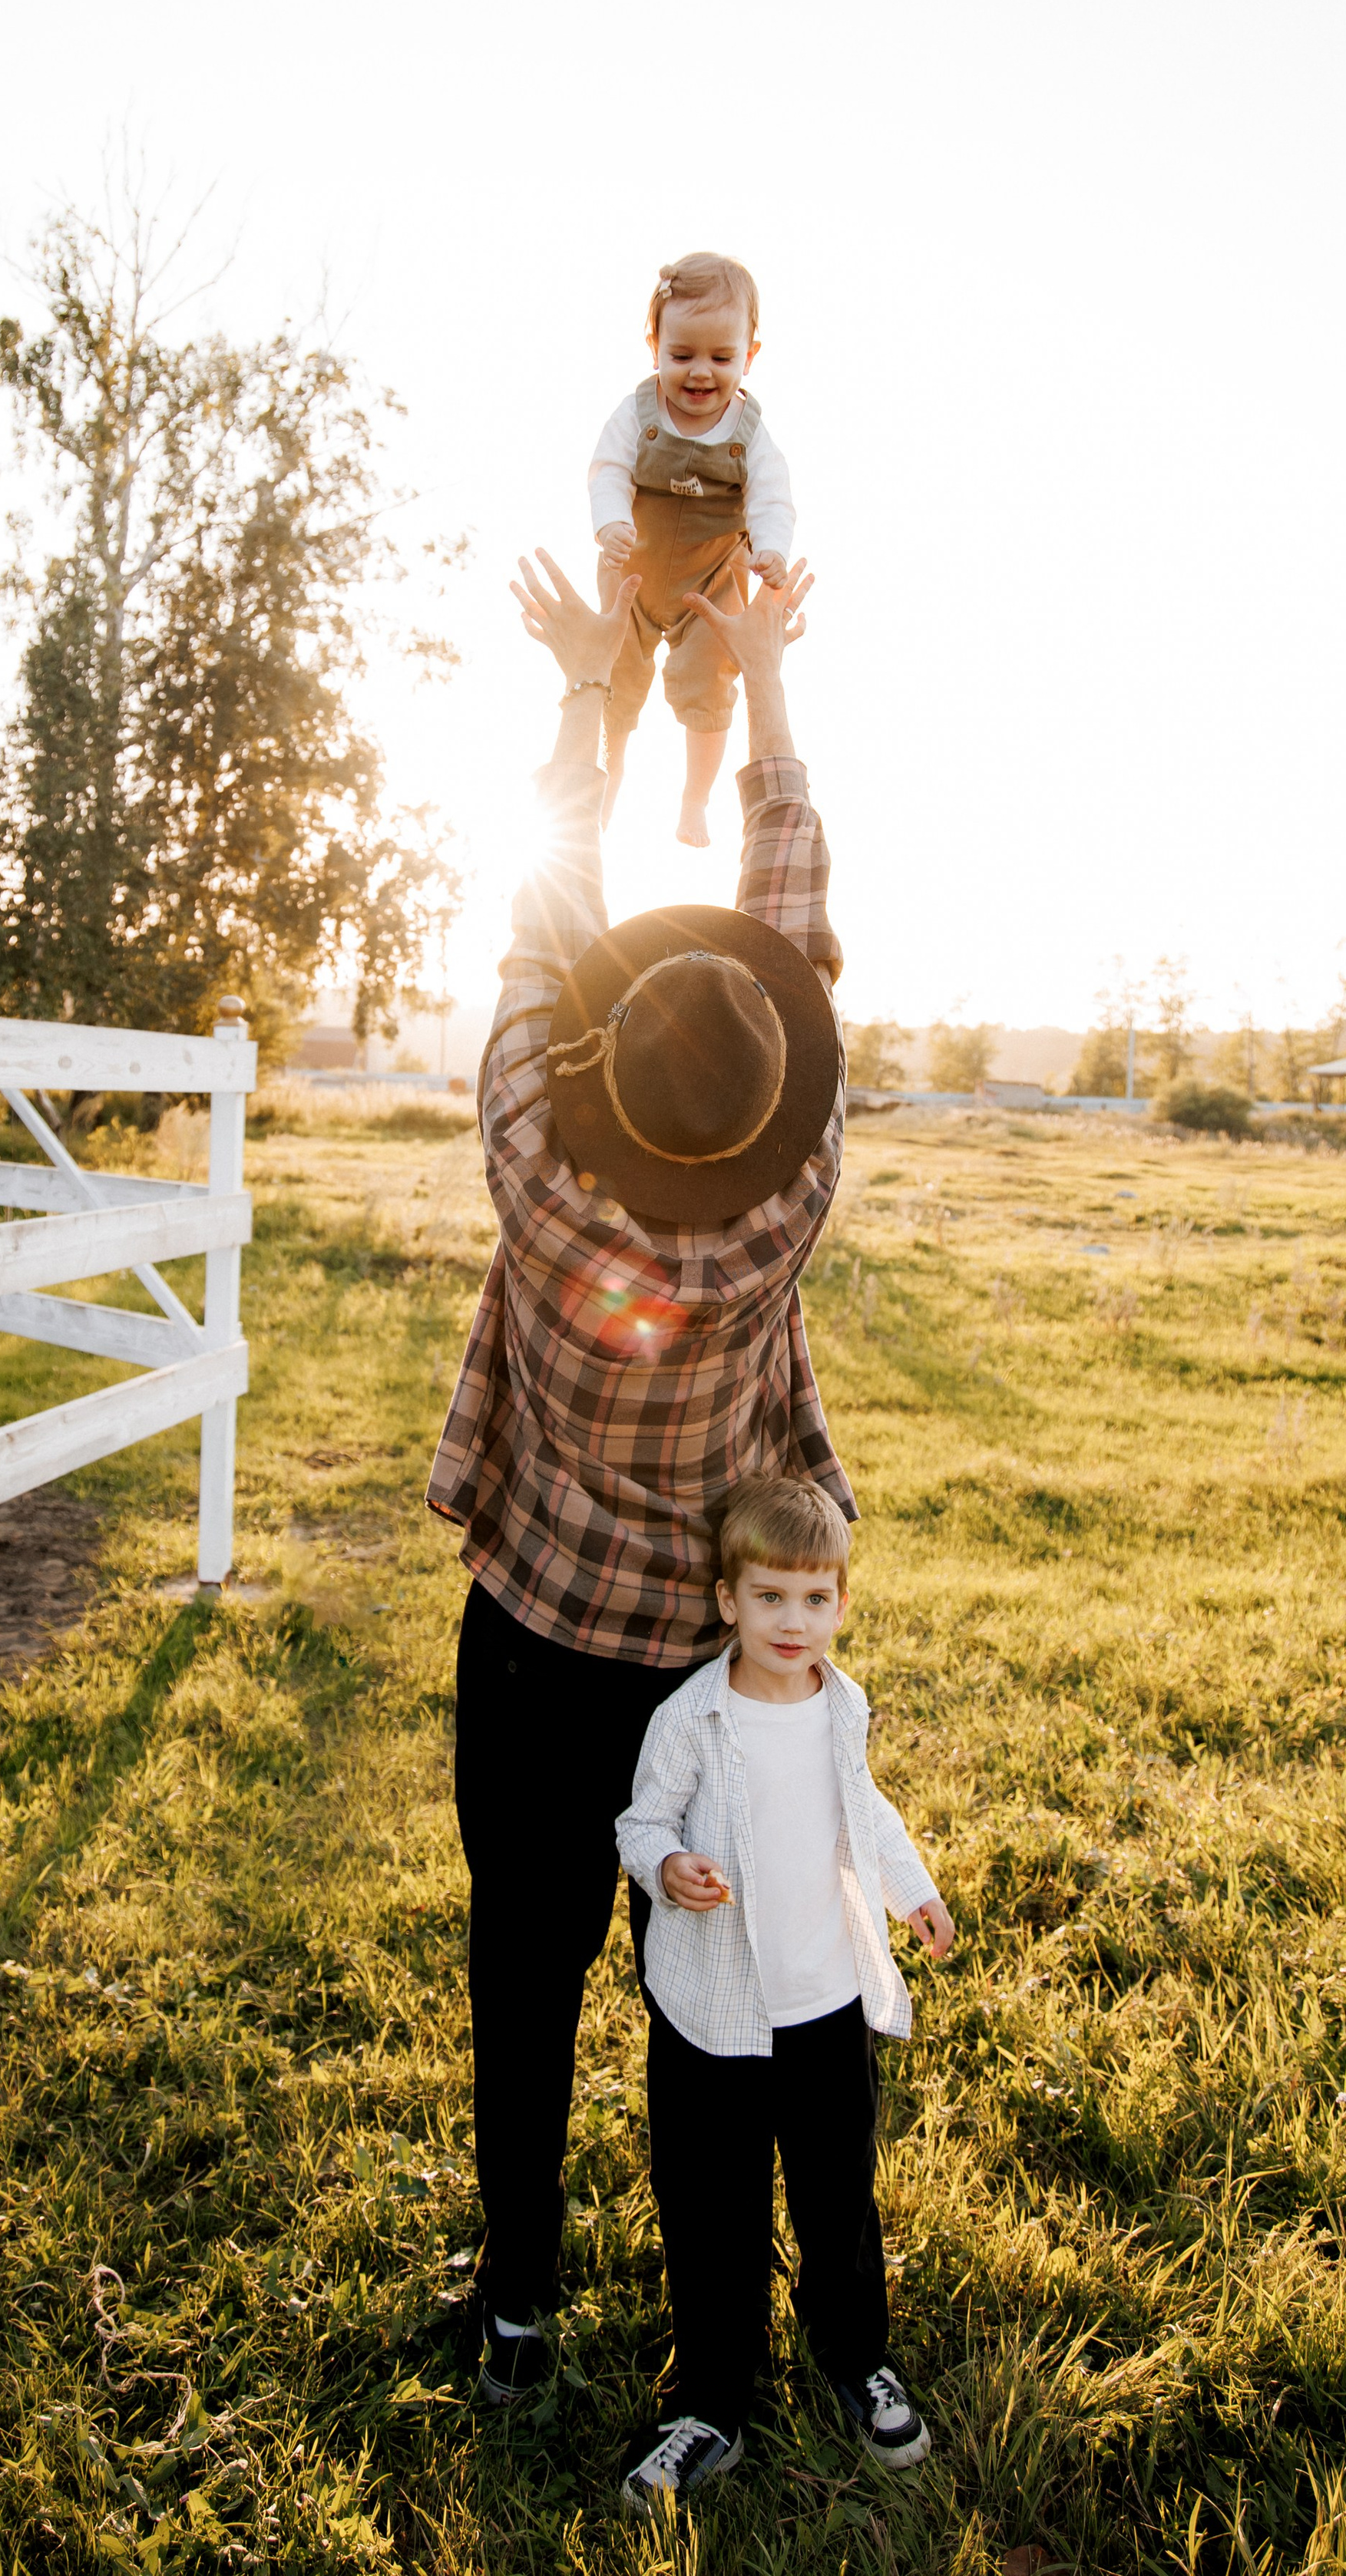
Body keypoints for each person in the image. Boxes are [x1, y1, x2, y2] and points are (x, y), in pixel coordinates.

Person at [427, 541, 849, 2415]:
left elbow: (539, 915)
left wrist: (595, 689)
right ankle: (717, 2323)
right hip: (699, 1674)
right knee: (706, 1993)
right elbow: (794, 925)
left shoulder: (538, 1168)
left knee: (521, 1975)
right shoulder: (783, 1199)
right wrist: (755, 678)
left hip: (530, 1644)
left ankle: (515, 2305)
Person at [611, 1472, 957, 2515]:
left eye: (816, 1599)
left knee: (837, 2191)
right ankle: (711, 2397)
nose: (793, 1621)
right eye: (770, 1597)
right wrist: (668, 1868)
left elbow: (868, 1812)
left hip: (822, 2005)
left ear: (841, 1603)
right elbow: (638, 1823)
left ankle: (855, 2356)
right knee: (713, 2204)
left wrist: (914, 1895)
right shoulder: (692, 1720)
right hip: (713, 2016)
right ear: (729, 1602)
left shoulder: (839, 1706)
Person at [587, 253, 796, 847]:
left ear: (749, 355)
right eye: (682, 355)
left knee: (710, 688)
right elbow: (606, 471)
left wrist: (772, 549)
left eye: (722, 357)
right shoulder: (637, 413)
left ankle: (695, 798)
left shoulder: (749, 434)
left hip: (711, 583)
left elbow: (773, 499)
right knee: (615, 681)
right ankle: (613, 767)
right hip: (633, 573)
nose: (701, 373)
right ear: (654, 344)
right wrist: (610, 524)